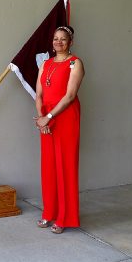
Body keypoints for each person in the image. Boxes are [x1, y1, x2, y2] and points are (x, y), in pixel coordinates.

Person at [33, 25, 85, 234]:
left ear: (70, 42)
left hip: (65, 118)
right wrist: (41, 118)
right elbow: (39, 94)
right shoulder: (45, 63)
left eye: (63, 39)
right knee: (49, 166)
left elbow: (70, 96)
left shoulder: (75, 63)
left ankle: (65, 217)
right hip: (46, 118)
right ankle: (49, 212)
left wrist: (49, 117)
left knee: (65, 166)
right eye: (56, 38)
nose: (59, 42)